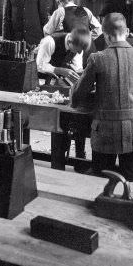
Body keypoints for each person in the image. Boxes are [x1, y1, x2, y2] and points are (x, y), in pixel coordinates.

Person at [70, 13, 133, 188]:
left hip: (106, 131)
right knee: (131, 184)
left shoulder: (97, 58)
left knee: (103, 183)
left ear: (105, 35)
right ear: (126, 31)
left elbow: (76, 98)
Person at [37, 26, 93, 169]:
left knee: (77, 117)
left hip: (63, 85)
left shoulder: (77, 46)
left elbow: (77, 67)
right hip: (45, 84)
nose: (80, 52)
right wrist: (59, 70)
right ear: (69, 42)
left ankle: (80, 158)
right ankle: (59, 159)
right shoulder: (50, 42)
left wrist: (80, 77)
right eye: (78, 49)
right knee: (59, 121)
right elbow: (40, 65)